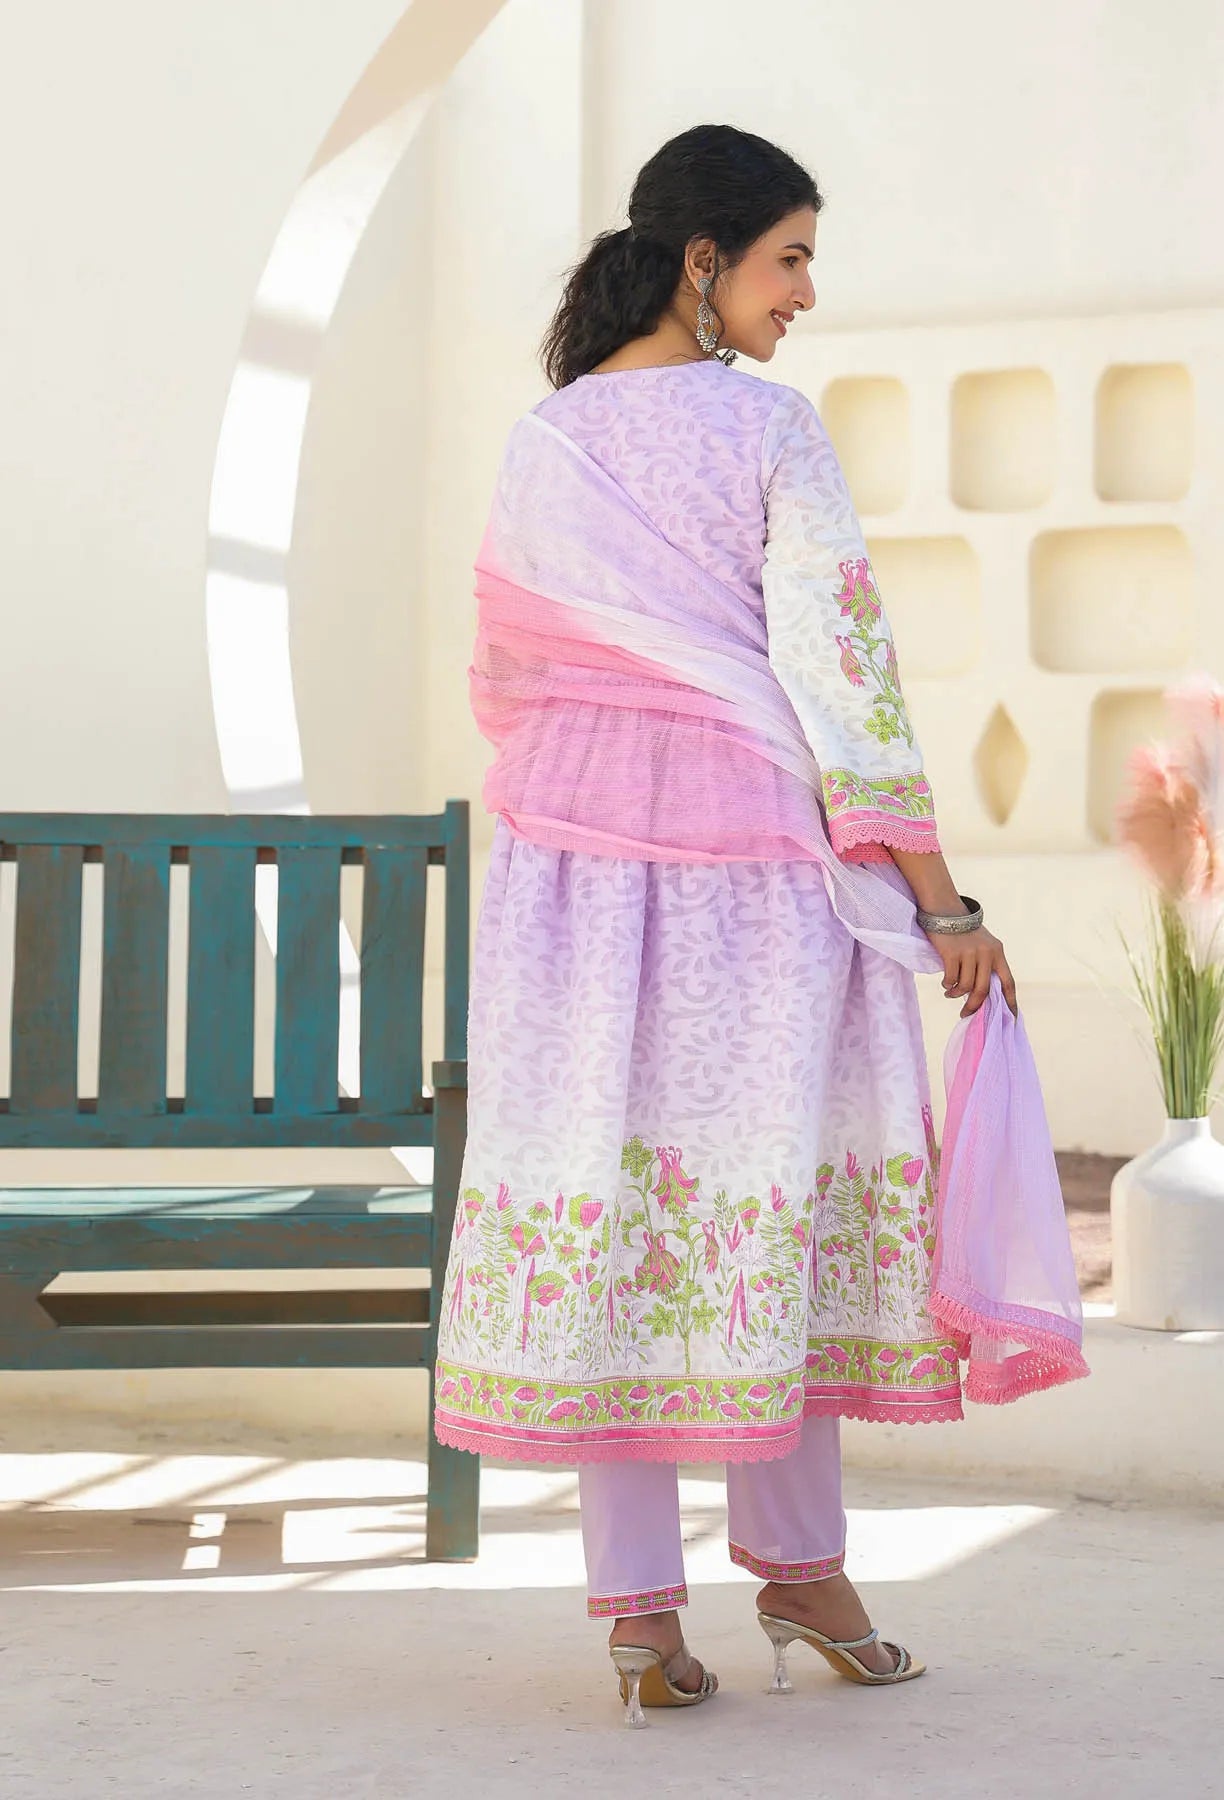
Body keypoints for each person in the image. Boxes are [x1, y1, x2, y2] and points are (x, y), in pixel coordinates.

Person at [434, 122, 1033, 1724]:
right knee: (766, 1207)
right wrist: (940, 899)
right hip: (752, 877)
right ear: (704, 261)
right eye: (790, 258)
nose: (808, 293)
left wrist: (607, 759)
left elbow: (506, 681)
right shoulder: (769, 428)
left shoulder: (547, 438)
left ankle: (641, 1620)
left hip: (565, 880)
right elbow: (845, 671)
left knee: (617, 1213)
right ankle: (803, 1576)